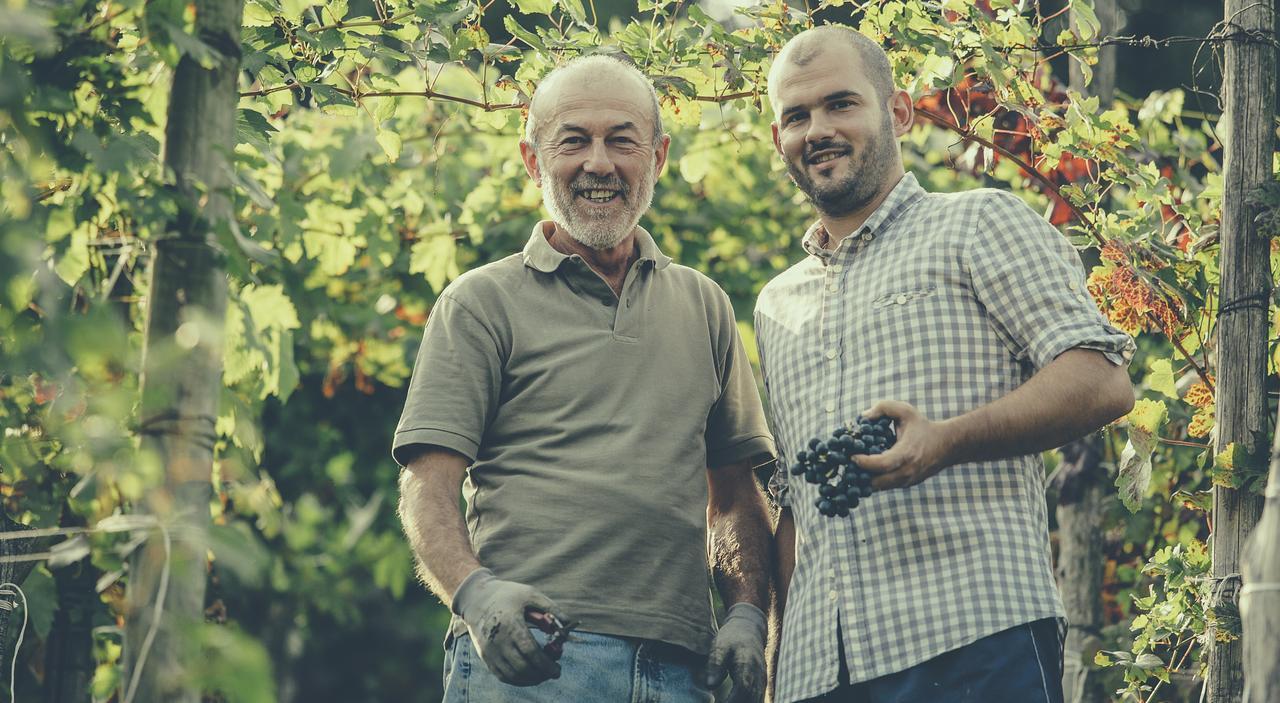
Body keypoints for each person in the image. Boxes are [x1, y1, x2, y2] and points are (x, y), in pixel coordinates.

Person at [754, 26, 1137, 703]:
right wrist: (778, 666)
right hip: (822, 671)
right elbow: (795, 507)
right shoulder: (776, 305)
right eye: (797, 115)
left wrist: (946, 440)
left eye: (841, 104)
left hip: (973, 637)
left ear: (898, 112)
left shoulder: (978, 224)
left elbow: (1101, 377)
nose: (818, 129)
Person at [394, 53, 776, 703]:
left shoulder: (704, 304)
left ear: (656, 158)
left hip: (682, 668)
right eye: (573, 140)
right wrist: (477, 594)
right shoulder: (479, 303)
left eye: (621, 140)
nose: (599, 162)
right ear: (533, 160)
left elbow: (735, 495)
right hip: (533, 660)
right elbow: (426, 489)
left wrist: (747, 615)